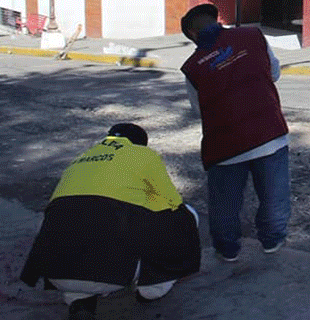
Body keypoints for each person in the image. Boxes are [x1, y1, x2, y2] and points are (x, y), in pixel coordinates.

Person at [20, 123, 202, 320]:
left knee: (66, 221)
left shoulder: (80, 158)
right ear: (140, 144)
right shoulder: (143, 155)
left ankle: (78, 298)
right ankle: (152, 287)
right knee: (185, 216)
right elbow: (173, 201)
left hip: (56, 272)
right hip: (114, 276)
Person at [180, 3, 290, 261]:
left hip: (226, 145)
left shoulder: (193, 67)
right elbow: (274, 72)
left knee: (225, 203)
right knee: (274, 194)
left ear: (193, 36)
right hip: (269, 134)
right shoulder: (253, 36)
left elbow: (199, 109)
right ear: (217, 21)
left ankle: (228, 248)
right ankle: (272, 240)